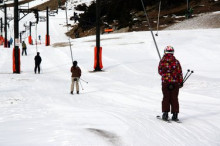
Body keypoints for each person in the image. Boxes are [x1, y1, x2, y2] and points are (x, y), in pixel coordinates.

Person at [158, 46, 183, 121]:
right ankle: (175, 115)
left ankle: (165, 114)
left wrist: (165, 73)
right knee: (174, 98)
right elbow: (179, 72)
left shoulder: (162, 61)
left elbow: (160, 72)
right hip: (175, 83)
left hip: (165, 82)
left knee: (166, 97)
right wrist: (180, 82)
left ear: (165, 52)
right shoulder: (176, 61)